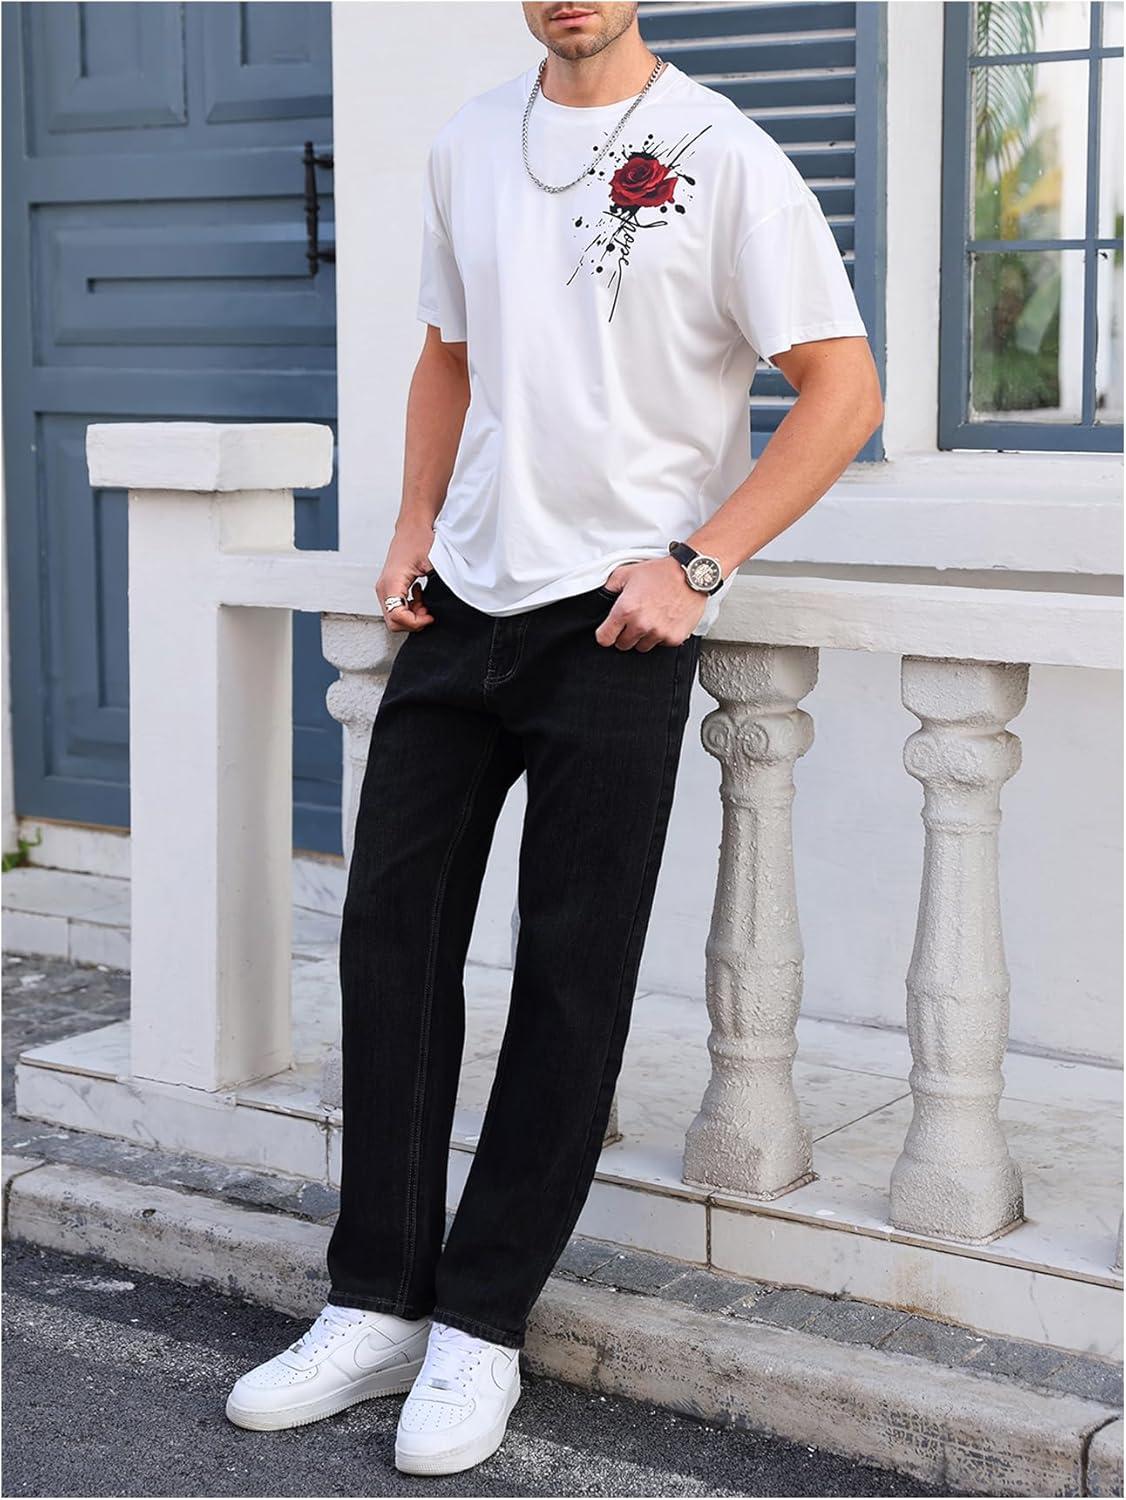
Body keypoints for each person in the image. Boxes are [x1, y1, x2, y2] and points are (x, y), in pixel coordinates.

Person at [226, 0, 882, 1476]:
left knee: (569, 979)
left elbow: (842, 390)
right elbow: (446, 353)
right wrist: (410, 521)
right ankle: (373, 1299)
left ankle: (480, 1325)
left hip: (615, 621)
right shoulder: (471, 141)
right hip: (461, 601)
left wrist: (700, 562)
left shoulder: (724, 152)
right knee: (390, 944)